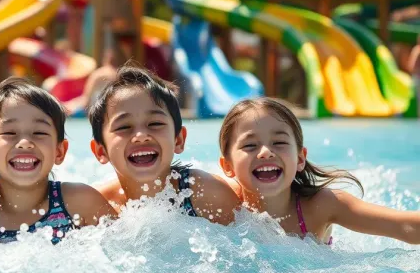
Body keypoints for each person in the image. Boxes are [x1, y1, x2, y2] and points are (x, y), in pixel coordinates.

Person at [218, 97, 419, 244]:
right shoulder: (222, 203)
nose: (266, 152)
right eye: (250, 145)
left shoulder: (322, 206)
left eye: (279, 142)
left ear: (299, 158)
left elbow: (406, 226)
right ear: (228, 166)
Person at [0, 77, 115, 244]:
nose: (25, 143)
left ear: (60, 152)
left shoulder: (80, 202)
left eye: (40, 133)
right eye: (9, 133)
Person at [88, 65, 238, 224]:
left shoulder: (206, 193)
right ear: (100, 151)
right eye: (124, 127)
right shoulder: (98, 208)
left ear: (178, 140)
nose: (141, 136)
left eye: (155, 123)